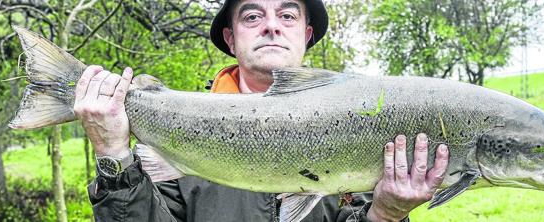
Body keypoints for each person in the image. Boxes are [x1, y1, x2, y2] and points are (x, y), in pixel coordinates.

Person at [76, 0, 450, 221]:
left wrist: (386, 214)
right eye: (252, 16)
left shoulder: (365, 122)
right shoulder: (175, 127)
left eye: (287, 15)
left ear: (305, 34)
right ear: (230, 37)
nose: (271, 26)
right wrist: (113, 155)